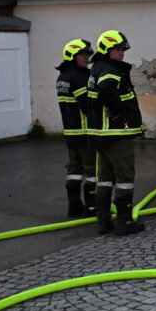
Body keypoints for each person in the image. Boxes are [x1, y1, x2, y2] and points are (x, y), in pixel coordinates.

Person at [87, 30, 145, 235]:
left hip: (101, 135)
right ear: (106, 50)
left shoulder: (97, 68)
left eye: (123, 50)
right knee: (125, 177)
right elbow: (106, 90)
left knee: (104, 177)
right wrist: (119, 110)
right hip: (116, 134)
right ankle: (124, 222)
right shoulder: (109, 69)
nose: (122, 53)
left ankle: (103, 222)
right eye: (118, 49)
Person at [56, 38, 95, 218]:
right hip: (84, 132)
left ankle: (74, 206)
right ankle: (92, 207)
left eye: (87, 54)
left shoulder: (63, 76)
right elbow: (88, 105)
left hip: (71, 132)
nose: (86, 58)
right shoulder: (79, 77)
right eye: (82, 55)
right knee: (91, 170)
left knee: (74, 170)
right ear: (72, 56)